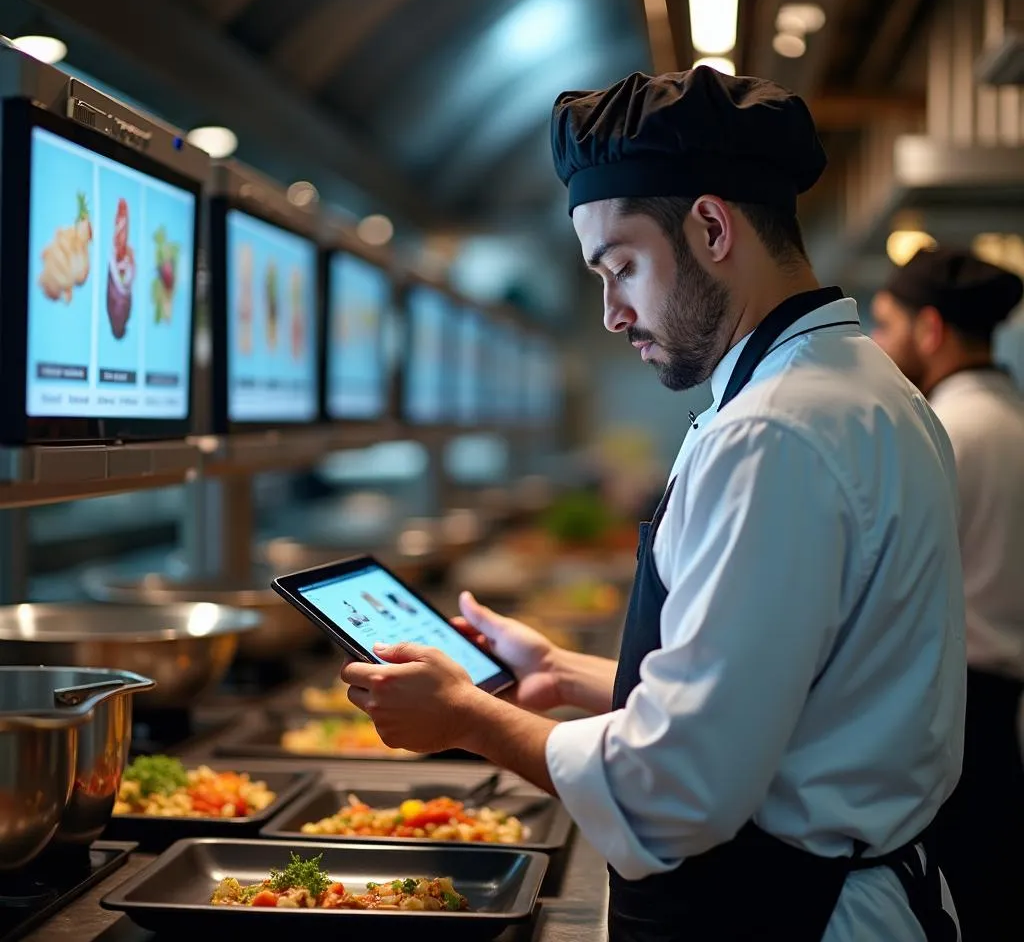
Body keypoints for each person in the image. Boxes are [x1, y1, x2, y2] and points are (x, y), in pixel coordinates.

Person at [341, 67, 965, 941]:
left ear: (711, 227)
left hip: (788, 914)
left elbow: (676, 789)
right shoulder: (860, 388)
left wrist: (469, 718)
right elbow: (789, 690)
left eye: (621, 266)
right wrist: (569, 674)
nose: (611, 312)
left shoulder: (776, 432)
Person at [872, 247, 1024, 941]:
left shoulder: (942, 431)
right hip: (1001, 710)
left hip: (954, 705)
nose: (878, 346)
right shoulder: (1010, 417)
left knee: (965, 889)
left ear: (929, 330)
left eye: (885, 325)